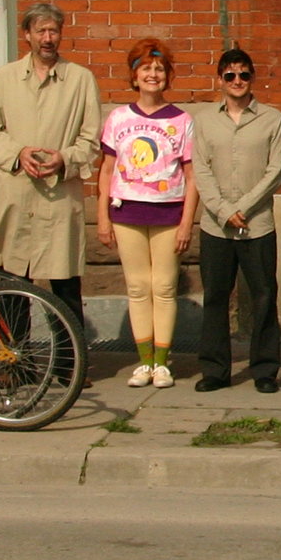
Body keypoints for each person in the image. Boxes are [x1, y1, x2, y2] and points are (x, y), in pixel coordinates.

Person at [0, 4, 102, 321]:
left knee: (66, 289)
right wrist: (17, 153)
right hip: (17, 197)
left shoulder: (80, 79)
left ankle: (70, 366)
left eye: (53, 31)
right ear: (27, 35)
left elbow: (91, 140)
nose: (48, 38)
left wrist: (65, 159)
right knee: (14, 286)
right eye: (41, 31)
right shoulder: (5, 78)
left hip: (59, 199)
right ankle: (18, 366)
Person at [96, 39, 199, 388]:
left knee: (165, 286)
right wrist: (103, 217)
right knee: (138, 287)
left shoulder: (182, 120)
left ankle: (162, 362)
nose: (152, 75)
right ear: (134, 76)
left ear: (167, 75)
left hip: (168, 213)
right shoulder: (118, 118)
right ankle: (143, 363)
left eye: (158, 69)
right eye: (145, 69)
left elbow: (191, 175)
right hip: (127, 212)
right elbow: (107, 170)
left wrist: (187, 221)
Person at [190, 47, 281, 394]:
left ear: (252, 79)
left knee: (263, 296)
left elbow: (276, 171)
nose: (237, 81)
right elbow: (200, 169)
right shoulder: (203, 121)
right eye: (230, 75)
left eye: (244, 75)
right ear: (220, 79)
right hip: (216, 227)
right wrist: (221, 209)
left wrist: (242, 207)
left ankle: (264, 369)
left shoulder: (273, 119)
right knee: (215, 297)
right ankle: (215, 370)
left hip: (257, 223)